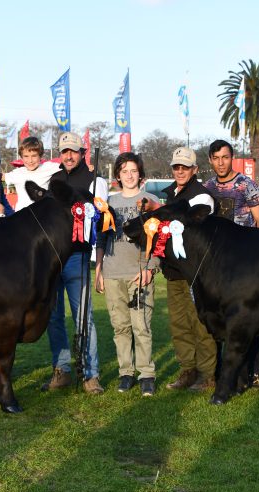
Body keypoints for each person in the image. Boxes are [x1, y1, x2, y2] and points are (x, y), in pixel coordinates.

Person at [43, 131, 108, 394]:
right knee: (53, 317)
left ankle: (90, 374)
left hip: (78, 257)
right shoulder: (54, 180)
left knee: (84, 319)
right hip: (53, 258)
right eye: (64, 151)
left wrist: (99, 259)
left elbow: (104, 219)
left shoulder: (95, 181)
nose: (68, 155)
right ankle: (62, 371)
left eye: (73, 151)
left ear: (82, 153)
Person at [202, 139, 259, 387]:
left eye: (225, 157)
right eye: (216, 158)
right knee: (218, 319)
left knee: (249, 318)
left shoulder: (246, 185)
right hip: (216, 267)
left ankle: (253, 373)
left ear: (232, 158)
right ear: (210, 160)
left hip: (245, 264)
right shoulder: (206, 188)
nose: (221, 163)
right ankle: (219, 372)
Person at [94, 152, 158, 397]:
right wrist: (99, 268)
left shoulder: (150, 200)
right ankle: (126, 372)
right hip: (112, 272)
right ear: (118, 175)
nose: (129, 175)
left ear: (140, 174)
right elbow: (101, 237)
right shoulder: (108, 202)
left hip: (138, 272)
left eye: (133, 170)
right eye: (124, 171)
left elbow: (159, 239)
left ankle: (146, 374)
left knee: (141, 325)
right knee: (120, 327)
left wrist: (150, 268)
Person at [162, 147, 218, 393]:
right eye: (177, 167)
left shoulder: (201, 197)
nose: (180, 170)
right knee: (179, 323)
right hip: (174, 270)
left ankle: (207, 375)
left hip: (195, 273)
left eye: (185, 167)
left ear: (195, 169)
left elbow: (189, 228)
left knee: (199, 323)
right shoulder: (172, 194)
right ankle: (188, 369)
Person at [4, 136, 60, 211]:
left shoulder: (48, 167)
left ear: (40, 155)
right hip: (21, 218)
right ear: (21, 157)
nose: (30, 160)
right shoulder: (17, 173)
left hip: (42, 217)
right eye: (26, 156)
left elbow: (69, 166)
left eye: (34, 156)